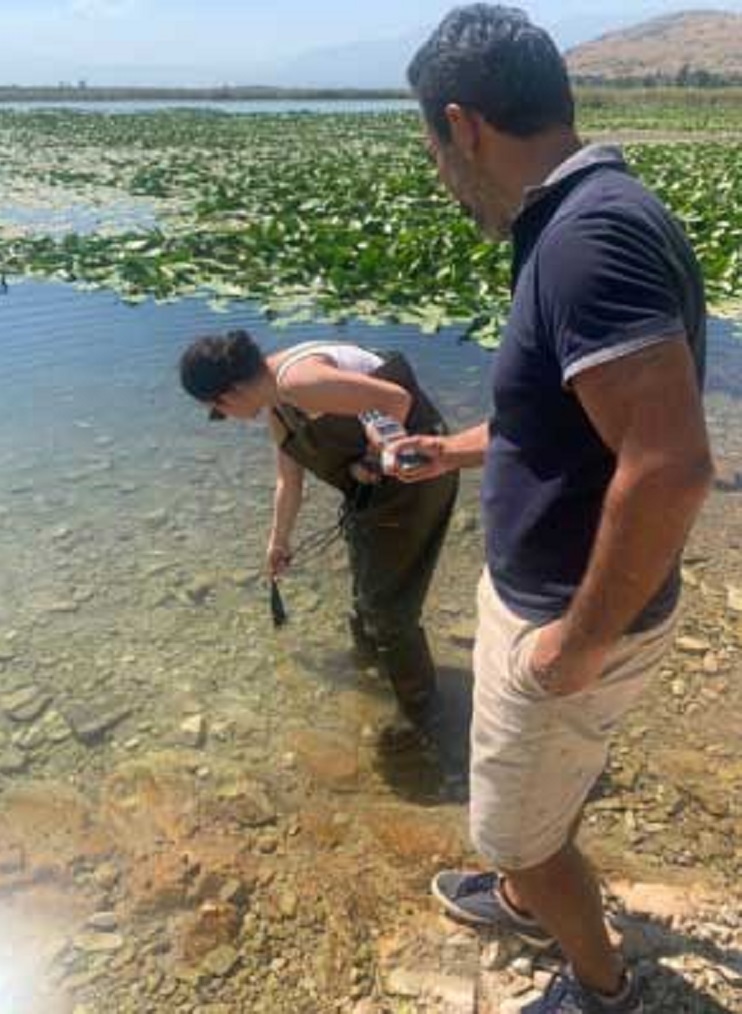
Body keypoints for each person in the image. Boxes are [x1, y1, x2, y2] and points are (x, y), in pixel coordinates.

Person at [393, 5, 713, 1012]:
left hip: (571, 619)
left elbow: (667, 468)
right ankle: (529, 889)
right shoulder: (585, 215)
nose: (443, 179)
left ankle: (598, 982)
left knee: (521, 833)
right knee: (536, 800)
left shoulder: (587, 239)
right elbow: (562, 421)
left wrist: (575, 645)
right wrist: (448, 448)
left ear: (465, 126)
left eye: (436, 151)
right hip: (552, 601)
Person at [179, 330, 458, 744]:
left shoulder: (298, 381)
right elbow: (288, 482)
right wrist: (278, 542)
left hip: (417, 478)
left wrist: (371, 459)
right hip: (372, 492)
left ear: (229, 394)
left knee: (389, 607)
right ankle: (372, 662)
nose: (225, 418)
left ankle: (421, 714)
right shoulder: (277, 404)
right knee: (367, 589)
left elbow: (396, 400)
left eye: (216, 411)